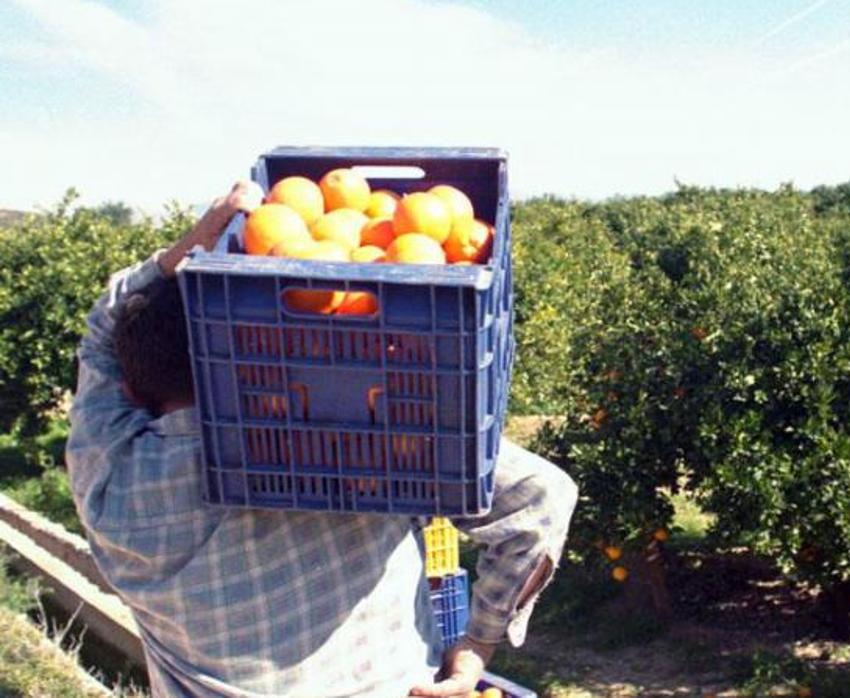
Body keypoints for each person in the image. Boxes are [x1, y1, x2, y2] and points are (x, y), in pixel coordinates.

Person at [66, 182, 578, 697]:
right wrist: (475, 645)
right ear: (247, 347)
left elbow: (104, 328)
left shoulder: (104, 476)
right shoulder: (352, 444)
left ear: (131, 387)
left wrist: (185, 251)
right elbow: (541, 499)